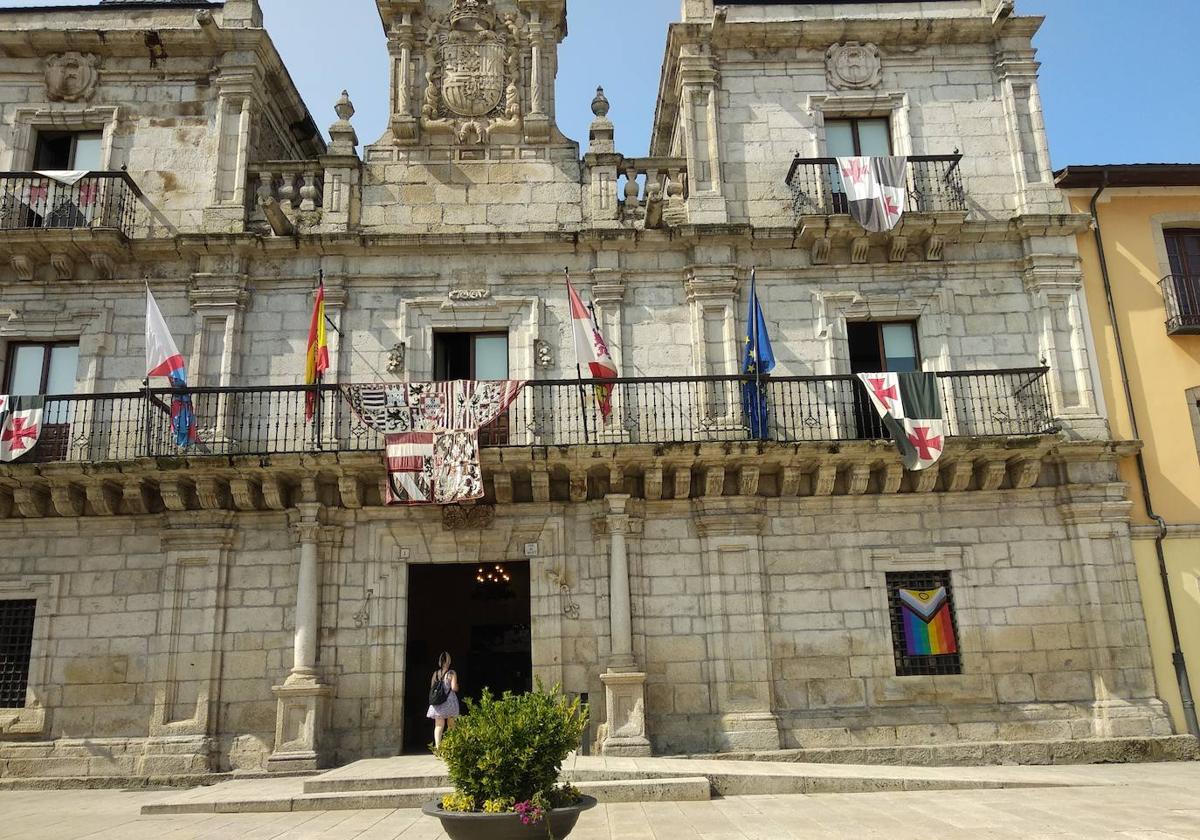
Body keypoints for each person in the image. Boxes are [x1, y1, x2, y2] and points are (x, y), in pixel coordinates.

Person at [427, 651, 460, 749]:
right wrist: (457, 686)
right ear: (449, 661)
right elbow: (454, 688)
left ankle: (438, 748)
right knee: (451, 726)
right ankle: (450, 747)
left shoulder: (435, 673)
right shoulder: (452, 673)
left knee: (438, 726)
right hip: (449, 702)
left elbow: (432, 687)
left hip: (437, 703)